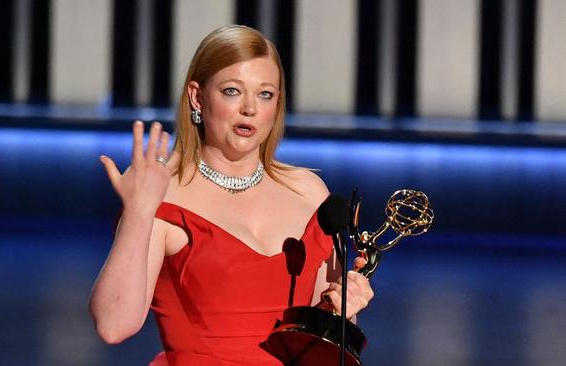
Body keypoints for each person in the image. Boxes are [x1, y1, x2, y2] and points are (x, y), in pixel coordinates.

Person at [89, 25, 374, 366]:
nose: (250, 109)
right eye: (232, 91)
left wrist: (345, 308)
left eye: (265, 94)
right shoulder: (165, 197)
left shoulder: (309, 192)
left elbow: (318, 338)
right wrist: (138, 211)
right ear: (197, 97)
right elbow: (113, 326)